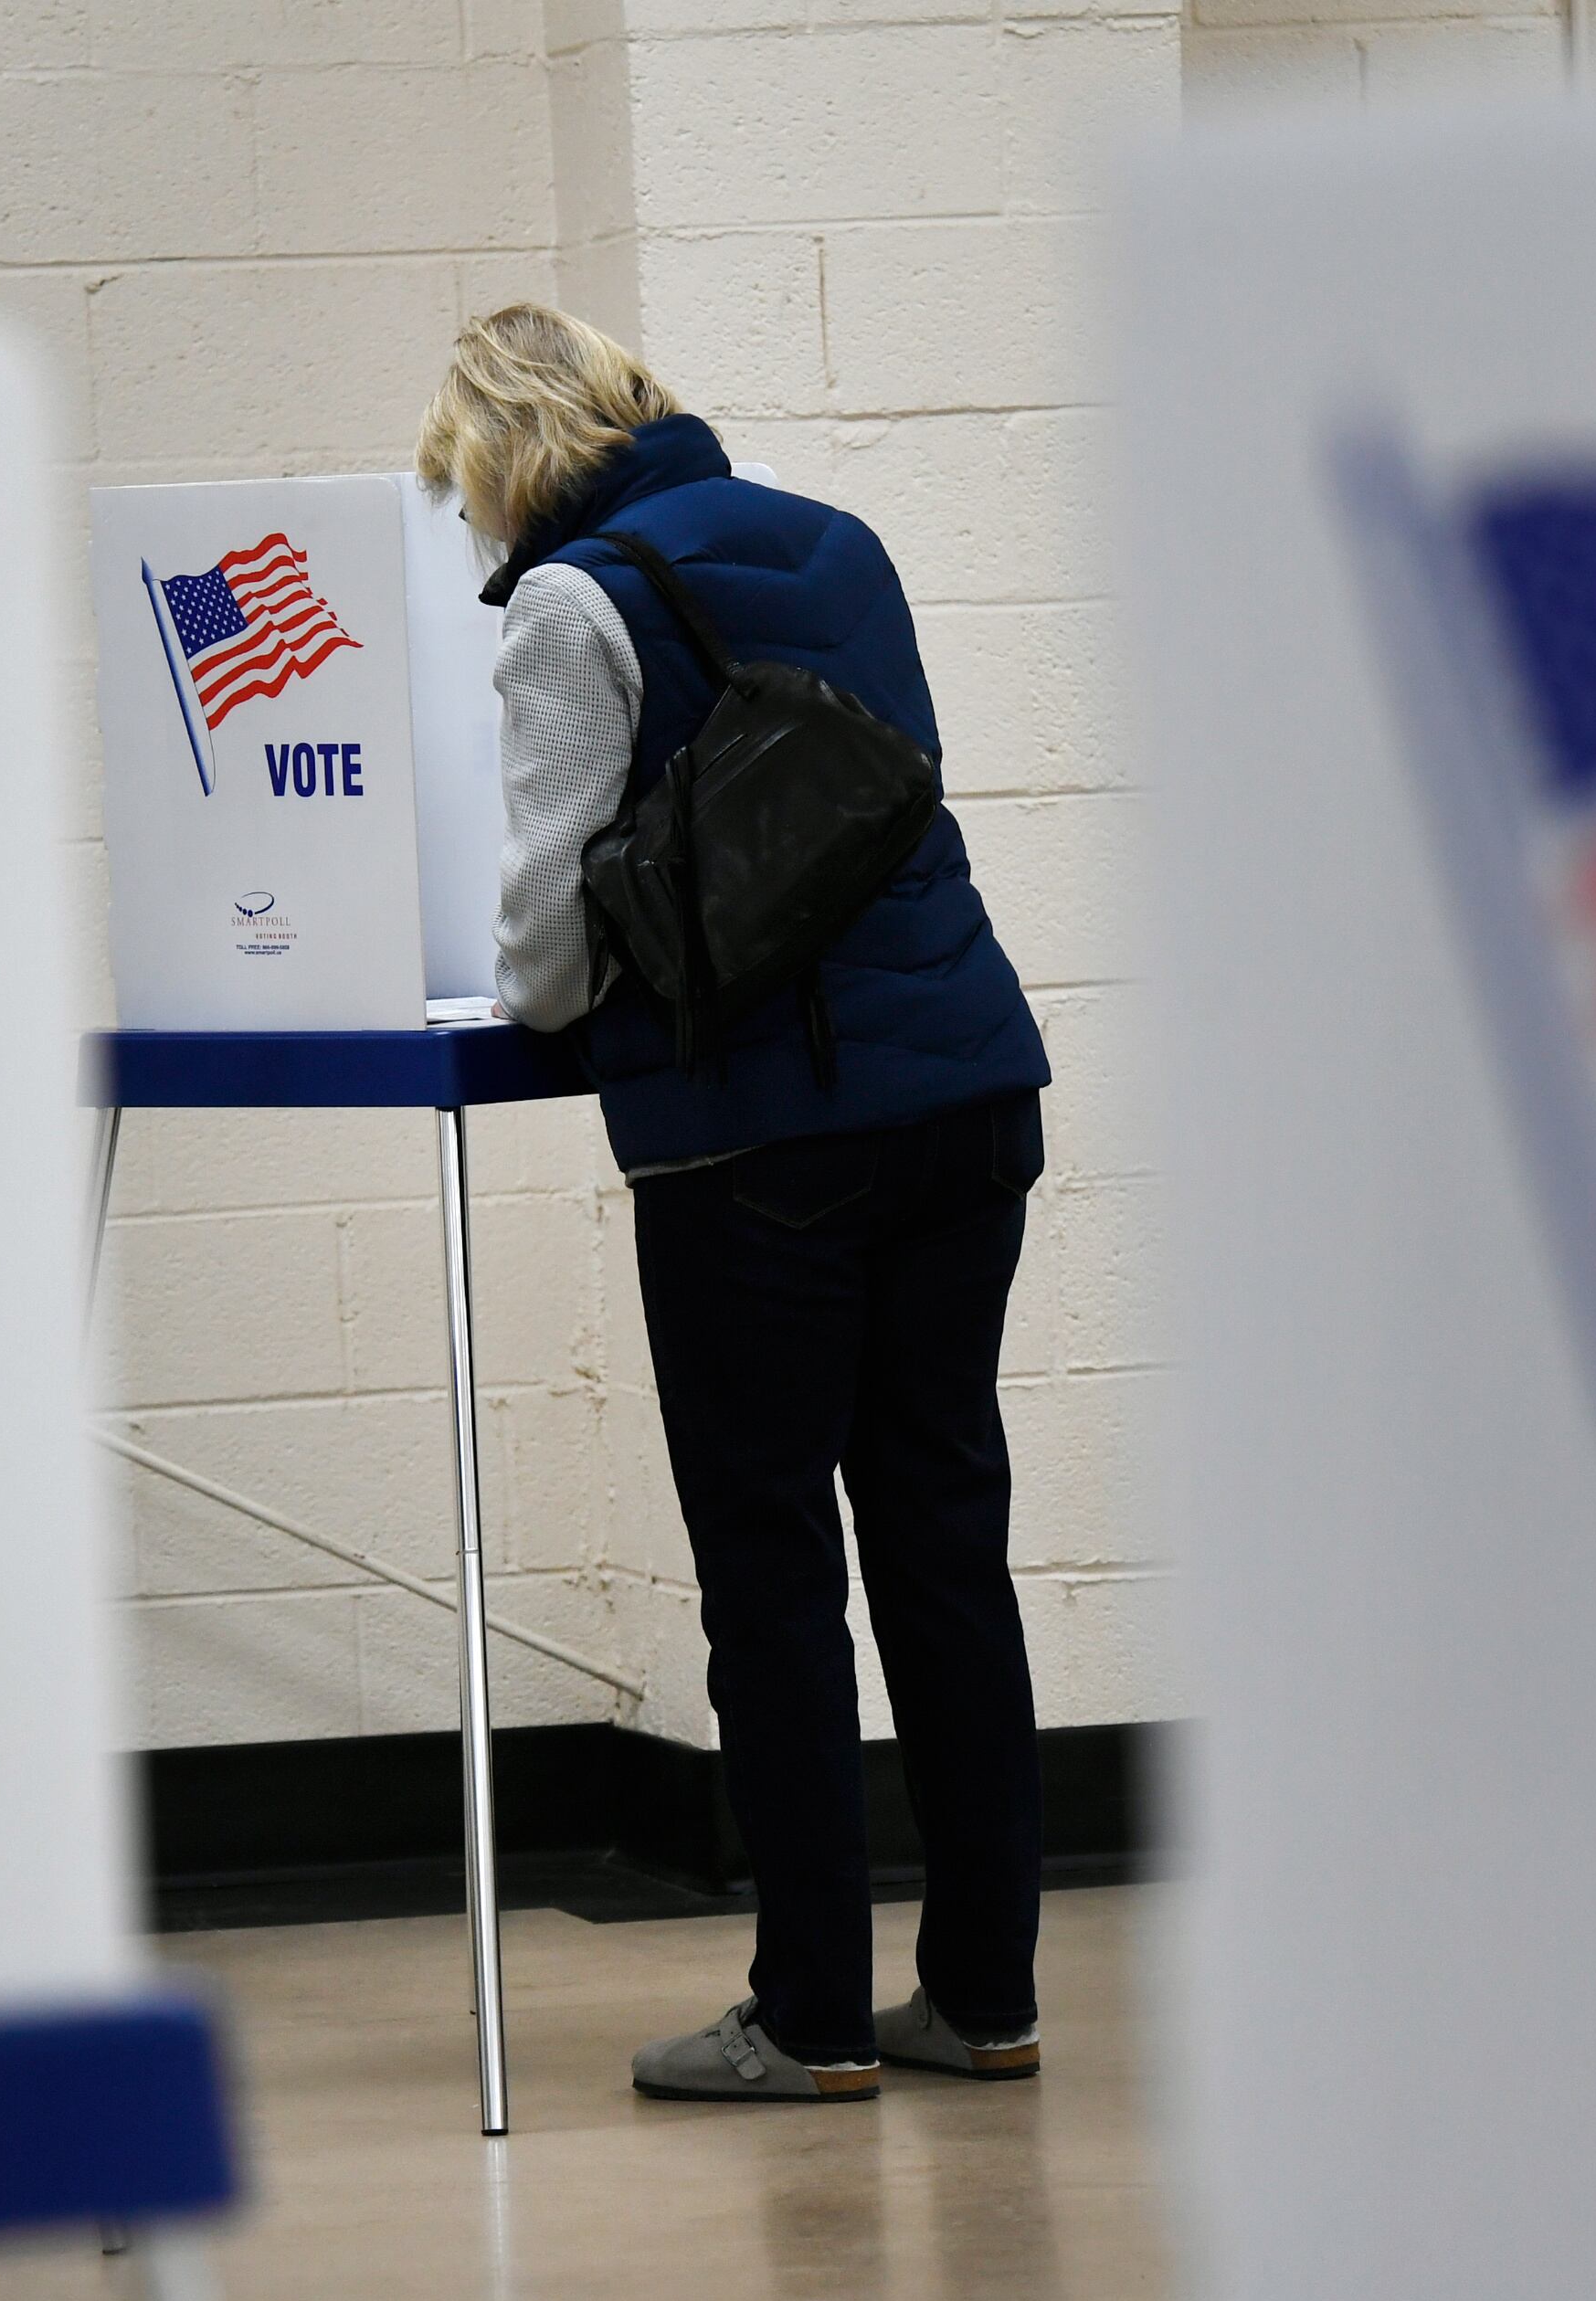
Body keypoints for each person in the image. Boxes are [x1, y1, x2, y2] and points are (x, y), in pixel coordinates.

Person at [415, 304, 1054, 2103]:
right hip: (967, 1092)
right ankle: (984, 1996)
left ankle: (808, 2015)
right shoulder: (833, 541)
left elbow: (543, 954)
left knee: (768, 1571)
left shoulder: (569, 605)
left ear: (505, 459)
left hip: (757, 1139)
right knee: (944, 1543)